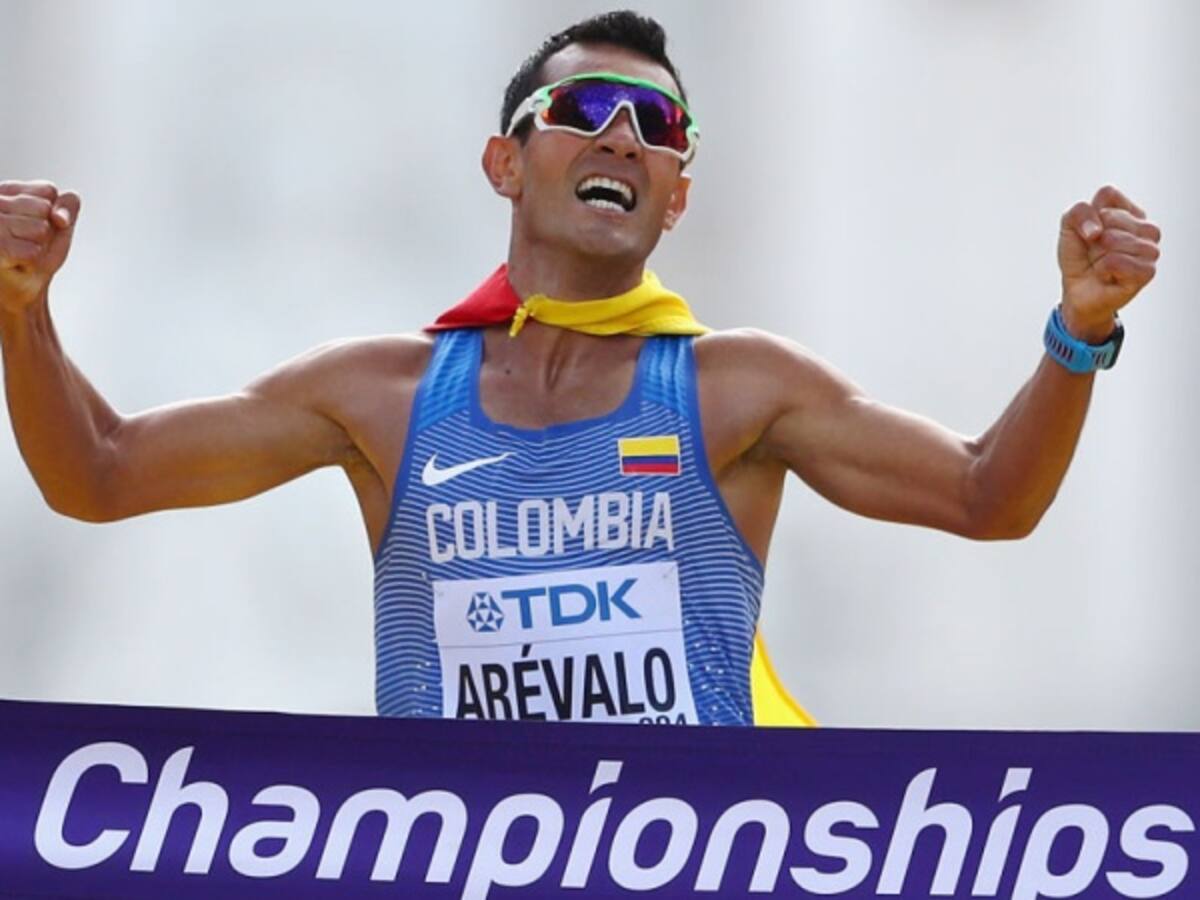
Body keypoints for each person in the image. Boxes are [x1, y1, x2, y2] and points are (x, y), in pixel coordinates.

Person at [0, 12, 1160, 727]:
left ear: (679, 195)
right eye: (591, 108)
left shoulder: (738, 389)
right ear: (507, 162)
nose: (626, 138)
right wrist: (21, 311)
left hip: (681, 862)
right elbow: (96, 475)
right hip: (459, 865)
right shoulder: (383, 395)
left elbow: (986, 496)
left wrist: (1076, 332)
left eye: (661, 131)